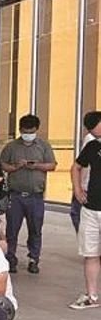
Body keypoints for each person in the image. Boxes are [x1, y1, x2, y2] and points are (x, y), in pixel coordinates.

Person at [0, 114, 57, 274]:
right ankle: (10, 258)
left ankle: (34, 259)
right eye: (25, 131)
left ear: (36, 130)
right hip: (15, 195)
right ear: (20, 130)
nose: (28, 134)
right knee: (12, 230)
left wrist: (37, 165)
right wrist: (15, 167)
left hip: (35, 196)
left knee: (35, 229)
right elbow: (2, 164)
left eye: (31, 131)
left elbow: (52, 165)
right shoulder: (11, 147)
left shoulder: (43, 146)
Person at [70, 119, 101, 309]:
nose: (91, 130)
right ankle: (92, 296)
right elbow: (76, 167)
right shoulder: (92, 146)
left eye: (94, 125)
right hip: (91, 208)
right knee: (91, 253)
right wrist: (77, 189)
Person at [71, 111, 101, 232]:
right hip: (91, 198)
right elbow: (77, 167)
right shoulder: (92, 143)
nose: (94, 132)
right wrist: (78, 189)